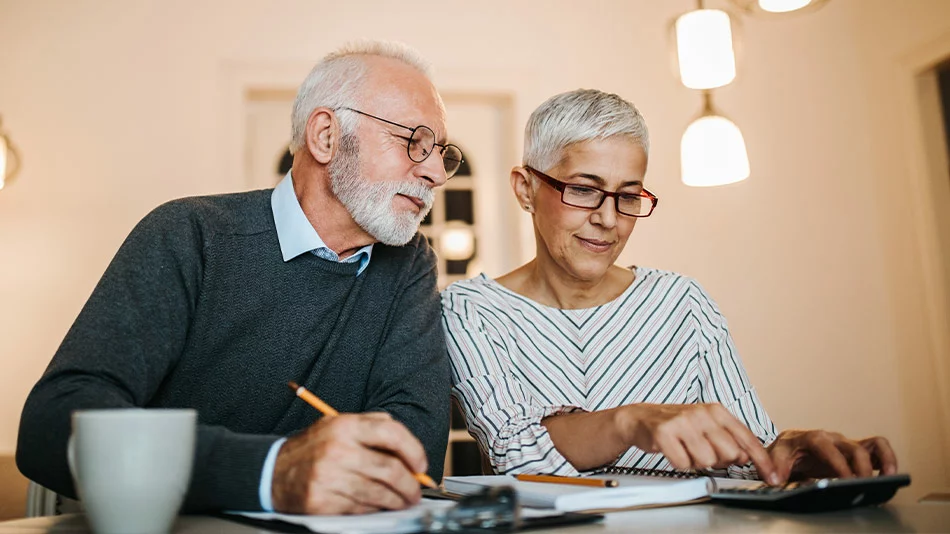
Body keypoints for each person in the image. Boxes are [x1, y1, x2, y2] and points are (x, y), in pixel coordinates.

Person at [17, 40, 464, 515]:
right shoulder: (191, 235)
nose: (436, 172)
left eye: (440, 152)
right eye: (414, 140)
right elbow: (52, 425)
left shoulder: (409, 263)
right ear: (326, 137)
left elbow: (412, 455)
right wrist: (272, 472)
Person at [442, 89, 897, 485]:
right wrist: (631, 421)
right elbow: (517, 456)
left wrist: (792, 453)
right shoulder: (470, 311)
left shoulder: (683, 303)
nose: (608, 218)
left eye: (628, 195)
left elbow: (745, 460)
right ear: (525, 189)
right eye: (583, 189)